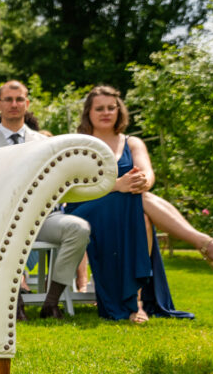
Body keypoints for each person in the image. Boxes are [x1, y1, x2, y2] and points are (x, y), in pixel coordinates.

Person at [65, 85, 193, 323]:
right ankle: (203, 243)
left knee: (141, 208)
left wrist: (142, 181)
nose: (106, 112)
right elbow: (70, 189)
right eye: (99, 108)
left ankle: (138, 301)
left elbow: (148, 175)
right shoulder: (78, 145)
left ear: (119, 110)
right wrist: (116, 185)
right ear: (88, 113)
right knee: (136, 202)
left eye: (111, 108)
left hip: (126, 210)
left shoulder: (132, 142)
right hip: (85, 210)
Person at [0, 80, 90, 319]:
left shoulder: (46, 144)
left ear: (27, 104)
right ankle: (15, 299)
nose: (14, 104)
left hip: (43, 218)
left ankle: (51, 303)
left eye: (19, 99)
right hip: (3, 221)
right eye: (8, 99)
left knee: (79, 229)